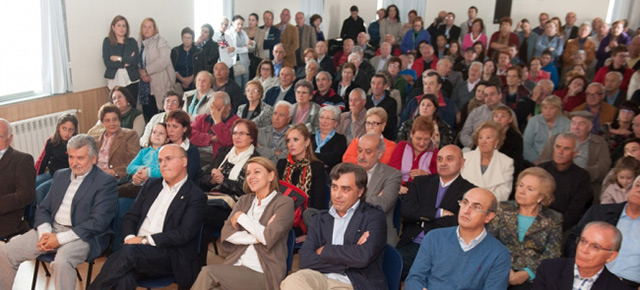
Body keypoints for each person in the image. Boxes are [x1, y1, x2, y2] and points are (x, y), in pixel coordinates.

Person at [0, 134, 117, 290]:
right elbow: (43, 208)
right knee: (7, 252)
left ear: (94, 159)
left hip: (84, 236)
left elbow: (98, 223)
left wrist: (59, 239)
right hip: (51, 230)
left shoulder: (105, 182)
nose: (74, 163)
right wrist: (45, 233)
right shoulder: (61, 175)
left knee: (62, 261)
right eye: (71, 157)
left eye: (80, 158)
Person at [88, 144, 205, 290]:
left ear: (184, 162)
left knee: (127, 254)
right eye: (160, 160)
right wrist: (130, 238)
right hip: (135, 251)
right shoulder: (151, 184)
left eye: (168, 159)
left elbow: (183, 234)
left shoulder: (195, 196)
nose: (163, 164)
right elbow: (131, 216)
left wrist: (144, 240)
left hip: (168, 254)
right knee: (124, 278)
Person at [280, 163, 387, 290]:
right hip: (319, 277)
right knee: (292, 281)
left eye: (345, 189)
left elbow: (363, 257)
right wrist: (346, 263)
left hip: (352, 282)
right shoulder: (320, 218)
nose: (337, 195)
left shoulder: (373, 216)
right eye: (334, 187)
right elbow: (306, 260)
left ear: (360, 191)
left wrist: (324, 250)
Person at [192, 157, 294, 290]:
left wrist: (241, 218)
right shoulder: (244, 201)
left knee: (207, 273)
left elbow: (269, 237)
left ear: (271, 175)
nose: (251, 177)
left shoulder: (284, 203)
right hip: (234, 266)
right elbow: (227, 234)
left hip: (263, 272)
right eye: (248, 173)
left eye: (257, 172)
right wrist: (258, 237)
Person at [404, 188, 511, 290]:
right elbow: (414, 280)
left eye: (476, 207)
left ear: (488, 216)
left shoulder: (500, 255)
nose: (466, 210)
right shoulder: (434, 237)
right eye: (465, 203)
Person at [396, 144, 475, 276]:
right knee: (388, 270)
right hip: (411, 244)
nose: (443, 163)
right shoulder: (420, 182)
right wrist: (439, 213)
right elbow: (406, 210)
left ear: (462, 162)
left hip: (443, 250)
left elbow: (458, 222)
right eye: (440, 159)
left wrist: (422, 220)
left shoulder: (470, 191)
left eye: (449, 159)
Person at [487, 168, 562, 290]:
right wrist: (505, 267)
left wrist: (528, 273)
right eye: (521, 185)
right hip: (498, 269)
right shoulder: (502, 208)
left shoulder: (553, 219)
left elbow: (553, 254)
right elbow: (489, 240)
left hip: (533, 278)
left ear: (541, 197)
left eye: (530, 189)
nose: (521, 191)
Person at [199, 119, 260, 260]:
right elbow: (204, 178)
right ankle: (194, 263)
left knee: (199, 214)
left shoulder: (255, 159)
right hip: (213, 200)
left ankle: (193, 263)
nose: (237, 137)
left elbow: (249, 190)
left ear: (251, 138)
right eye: (235, 133)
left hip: (236, 207)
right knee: (195, 213)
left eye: (242, 134)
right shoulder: (223, 153)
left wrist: (223, 181)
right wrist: (212, 179)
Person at [564, 178, 640, 289]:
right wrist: (579, 267)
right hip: (590, 279)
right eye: (637, 185)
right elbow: (573, 239)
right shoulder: (599, 213)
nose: (639, 190)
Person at [533, 222, 633, 290]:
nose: (584, 250)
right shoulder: (550, 269)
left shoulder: (618, 287)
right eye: (583, 241)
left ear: (611, 256)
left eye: (595, 246)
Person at [537, 132, 593, 231]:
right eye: (558, 147)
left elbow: (574, 212)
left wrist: (554, 229)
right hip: (535, 221)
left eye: (566, 148)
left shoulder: (582, 177)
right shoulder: (541, 170)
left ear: (575, 153)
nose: (560, 152)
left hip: (562, 227)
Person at [355, 133, 402, 246]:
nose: (361, 156)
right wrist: (374, 198)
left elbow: (382, 205)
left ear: (380, 154)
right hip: (348, 233)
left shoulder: (392, 175)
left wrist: (351, 198)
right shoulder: (348, 172)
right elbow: (334, 203)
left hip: (377, 236)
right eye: (359, 150)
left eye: (368, 152)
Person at [461, 121, 514, 202]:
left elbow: (503, 193)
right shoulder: (465, 157)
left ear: (496, 141)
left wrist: (482, 201)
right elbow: (458, 185)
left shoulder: (506, 162)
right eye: (480, 137)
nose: (483, 141)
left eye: (488, 138)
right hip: (465, 202)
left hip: (490, 207)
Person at [0, 118, 36, 238]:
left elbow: (25, 195)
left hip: (6, 219)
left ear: (10, 138)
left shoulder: (22, 160)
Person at [277, 123, 326, 210]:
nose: (291, 144)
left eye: (295, 140)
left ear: (306, 142)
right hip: (282, 212)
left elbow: (318, 203)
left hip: (305, 216)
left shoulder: (316, 167)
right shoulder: (282, 164)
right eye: (288, 140)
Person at [87, 103, 140, 180]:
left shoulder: (130, 135)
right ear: (102, 123)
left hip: (113, 177)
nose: (112, 124)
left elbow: (133, 162)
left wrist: (113, 172)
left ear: (119, 120)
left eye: (114, 119)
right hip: (93, 174)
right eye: (107, 120)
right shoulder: (94, 134)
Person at [34, 114, 78, 206]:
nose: (67, 133)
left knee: (40, 191)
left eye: (70, 130)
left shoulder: (76, 144)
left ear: (74, 131)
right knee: (31, 185)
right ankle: (30, 216)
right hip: (51, 173)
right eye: (64, 128)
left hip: (65, 177)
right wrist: (35, 175)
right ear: (59, 128)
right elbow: (43, 161)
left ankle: (44, 216)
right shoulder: (51, 141)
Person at [138, 18, 176, 120]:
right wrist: (141, 73)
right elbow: (139, 63)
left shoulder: (161, 41)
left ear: (155, 29)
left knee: (162, 116)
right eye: (144, 27)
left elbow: (163, 61)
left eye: (150, 27)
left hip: (160, 84)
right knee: (149, 117)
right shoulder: (141, 43)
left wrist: (146, 71)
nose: (147, 29)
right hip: (145, 86)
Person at [118, 123, 167, 199]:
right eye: (154, 132)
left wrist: (147, 172)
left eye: (161, 133)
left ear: (167, 139)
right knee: (111, 192)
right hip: (135, 184)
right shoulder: (144, 151)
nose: (157, 135)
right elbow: (129, 168)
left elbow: (164, 171)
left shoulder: (166, 152)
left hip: (152, 187)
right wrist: (141, 169)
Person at [191, 91, 238, 167]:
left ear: (228, 107)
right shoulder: (202, 118)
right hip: (196, 156)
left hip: (217, 162)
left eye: (218, 109)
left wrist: (217, 121)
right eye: (212, 108)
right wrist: (210, 138)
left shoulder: (237, 122)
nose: (214, 112)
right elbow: (189, 134)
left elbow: (227, 141)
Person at [459, 82, 514, 147]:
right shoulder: (476, 112)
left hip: (501, 148)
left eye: (492, 94)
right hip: (474, 147)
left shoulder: (509, 112)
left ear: (500, 95)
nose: (489, 97)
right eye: (486, 95)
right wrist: (472, 145)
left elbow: (513, 135)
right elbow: (464, 134)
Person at [390, 115, 438, 187]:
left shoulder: (435, 153)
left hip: (422, 190)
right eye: (418, 138)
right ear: (411, 134)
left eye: (426, 139)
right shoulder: (402, 146)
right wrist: (400, 185)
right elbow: (393, 170)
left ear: (431, 137)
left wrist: (427, 176)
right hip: (399, 188)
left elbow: (438, 179)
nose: (422, 143)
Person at [103, 15, 140, 106]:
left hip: (131, 80)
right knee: (116, 107)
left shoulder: (131, 42)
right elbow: (107, 62)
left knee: (131, 106)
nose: (121, 28)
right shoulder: (107, 41)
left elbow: (135, 60)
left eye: (124, 26)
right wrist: (125, 64)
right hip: (114, 79)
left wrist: (118, 59)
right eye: (119, 25)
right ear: (113, 27)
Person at [522, 95, 570, 163]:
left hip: (559, 161)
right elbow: (526, 144)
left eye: (552, 108)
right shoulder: (534, 121)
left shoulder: (567, 123)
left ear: (558, 110)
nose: (548, 111)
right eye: (545, 108)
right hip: (536, 160)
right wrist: (536, 161)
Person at [166, 110, 201, 181]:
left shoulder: (192, 151)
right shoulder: (163, 146)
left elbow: (186, 177)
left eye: (175, 127)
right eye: (168, 125)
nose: (170, 130)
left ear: (184, 129)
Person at [492, 105, 523, 185]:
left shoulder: (516, 137)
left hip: (507, 173)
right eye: (496, 116)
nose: (499, 119)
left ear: (510, 119)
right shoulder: (487, 133)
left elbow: (516, 162)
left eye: (503, 116)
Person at [311, 106, 347, 174]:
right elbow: (303, 155)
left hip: (329, 174)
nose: (324, 121)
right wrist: (323, 160)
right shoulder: (311, 137)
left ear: (335, 123)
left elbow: (334, 158)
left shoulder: (340, 139)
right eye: (321, 117)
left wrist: (312, 156)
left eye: (328, 118)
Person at [365, 74, 398, 140]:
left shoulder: (391, 102)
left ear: (385, 86)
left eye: (379, 84)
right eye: (373, 83)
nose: (375, 86)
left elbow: (390, 126)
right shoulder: (365, 100)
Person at [226, 15, 254, 89]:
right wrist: (245, 48)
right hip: (236, 63)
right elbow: (233, 49)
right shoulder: (228, 33)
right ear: (232, 23)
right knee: (238, 86)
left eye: (241, 24)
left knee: (246, 87)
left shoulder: (243, 32)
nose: (240, 26)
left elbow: (250, 45)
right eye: (238, 24)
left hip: (245, 62)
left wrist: (251, 44)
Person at [171, 27, 201, 92]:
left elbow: (199, 68)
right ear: (182, 38)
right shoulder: (175, 51)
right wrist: (183, 80)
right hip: (178, 83)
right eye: (184, 37)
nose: (186, 40)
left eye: (189, 38)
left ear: (193, 39)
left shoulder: (198, 52)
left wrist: (190, 80)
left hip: (195, 83)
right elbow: (172, 68)